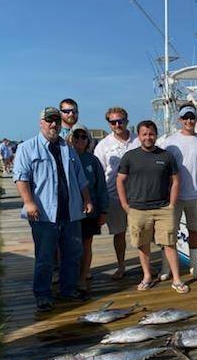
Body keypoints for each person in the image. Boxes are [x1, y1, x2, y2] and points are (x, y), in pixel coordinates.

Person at [12, 107, 94, 313]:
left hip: (71, 212)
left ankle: (68, 289)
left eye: (57, 121)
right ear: (41, 123)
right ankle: (43, 294)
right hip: (44, 214)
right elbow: (21, 178)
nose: (53, 125)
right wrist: (29, 203)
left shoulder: (68, 149)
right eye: (49, 121)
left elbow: (80, 178)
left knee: (73, 254)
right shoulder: (27, 148)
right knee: (45, 257)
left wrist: (87, 199)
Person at [116, 120, 189, 294]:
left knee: (170, 244)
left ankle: (177, 279)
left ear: (155, 135)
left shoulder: (166, 156)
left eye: (151, 134)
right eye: (144, 134)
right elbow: (120, 180)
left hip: (163, 208)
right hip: (138, 209)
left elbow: (176, 181)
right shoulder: (130, 156)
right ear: (139, 136)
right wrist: (125, 204)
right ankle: (147, 276)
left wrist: (171, 205)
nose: (148, 137)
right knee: (143, 243)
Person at [160, 105, 197, 281]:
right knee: (169, 233)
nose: (189, 121)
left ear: (196, 119)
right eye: (185, 118)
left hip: (195, 196)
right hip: (173, 197)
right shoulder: (169, 142)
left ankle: (194, 265)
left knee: (194, 232)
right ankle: (165, 267)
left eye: (192, 117)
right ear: (180, 120)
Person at [94, 106, 140, 280]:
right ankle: (121, 266)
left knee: (142, 233)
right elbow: (99, 175)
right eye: (113, 122)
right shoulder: (103, 146)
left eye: (120, 120)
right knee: (119, 233)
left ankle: (146, 265)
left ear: (127, 121)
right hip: (113, 197)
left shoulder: (138, 140)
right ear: (109, 124)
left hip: (138, 196)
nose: (117, 124)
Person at [67, 123, 108, 287]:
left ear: (88, 140)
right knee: (68, 245)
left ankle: (83, 277)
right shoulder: (65, 157)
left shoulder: (93, 160)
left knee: (86, 244)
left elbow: (101, 187)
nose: (80, 140)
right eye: (76, 136)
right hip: (69, 210)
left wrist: (103, 211)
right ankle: (69, 277)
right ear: (70, 138)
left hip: (89, 210)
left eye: (84, 136)